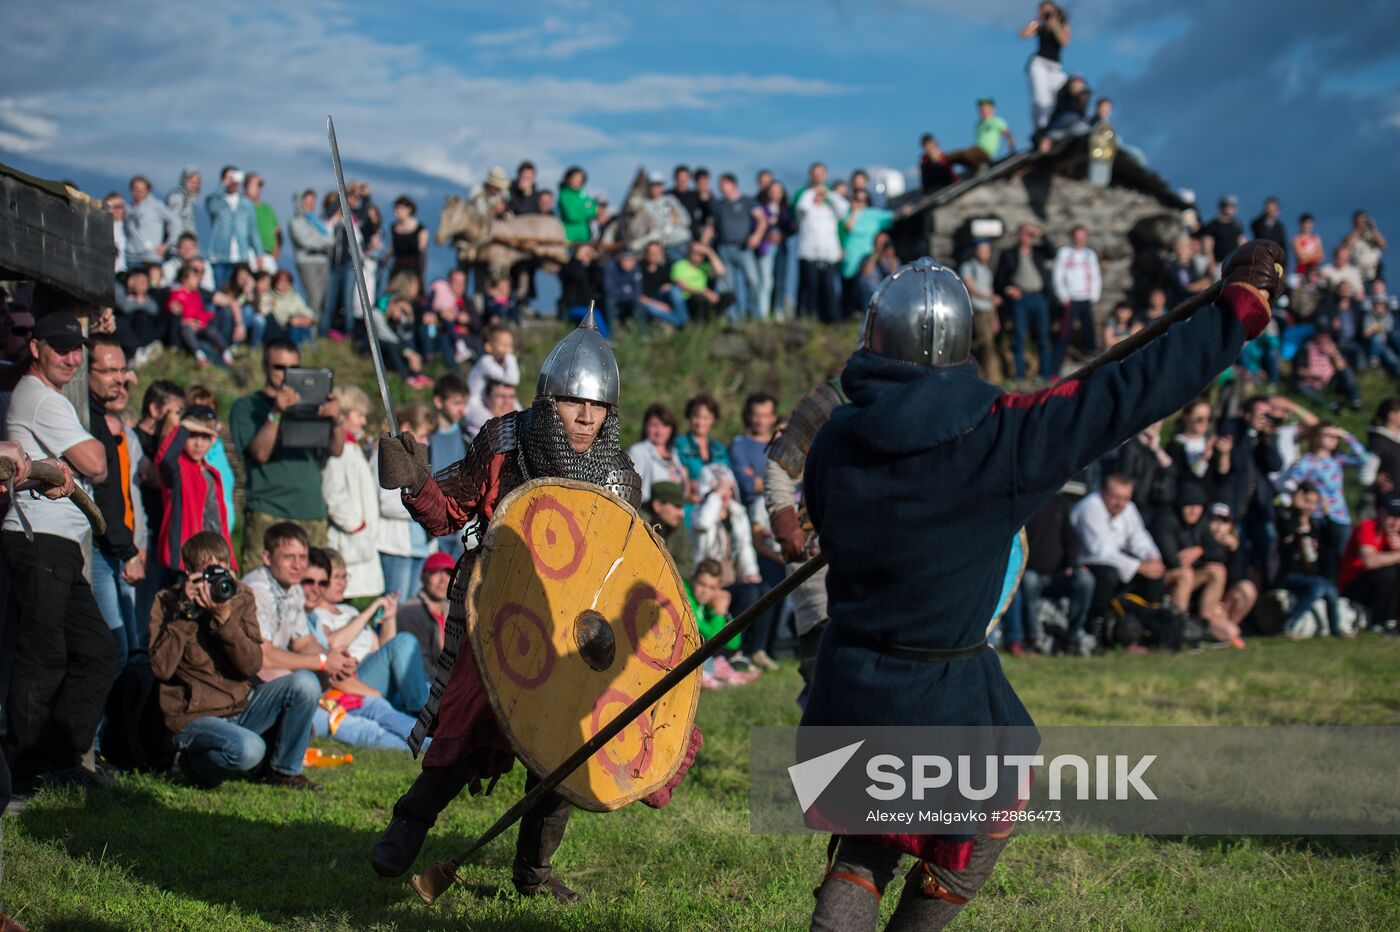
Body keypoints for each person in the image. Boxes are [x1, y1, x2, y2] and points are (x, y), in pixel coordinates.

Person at [803, 244, 1283, 930]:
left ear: (877, 338)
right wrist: (1235, 311)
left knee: (864, 847)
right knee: (980, 824)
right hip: (940, 700)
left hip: (848, 687)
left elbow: (824, 520)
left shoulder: (835, 440)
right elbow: (1132, 390)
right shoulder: (1004, 437)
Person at [371, 311, 696, 901]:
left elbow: (622, 565)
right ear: (549, 400)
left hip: (576, 632)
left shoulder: (620, 477)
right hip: (497, 613)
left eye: (597, 407)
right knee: (467, 721)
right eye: (574, 403)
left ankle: (534, 872)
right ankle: (409, 822)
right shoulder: (504, 443)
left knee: (565, 751)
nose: (585, 416)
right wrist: (415, 483)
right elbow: (451, 513)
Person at [2, 313, 117, 792]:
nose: (73, 357)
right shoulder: (41, 399)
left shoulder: (49, 398)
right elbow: (96, 462)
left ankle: (60, 759)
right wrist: (79, 453)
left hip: (59, 545)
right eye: (61, 347)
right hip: (37, 538)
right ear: (35, 348)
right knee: (43, 656)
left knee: (96, 650)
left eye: (77, 348)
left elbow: (94, 465)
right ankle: (28, 770)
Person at [150, 531, 323, 790]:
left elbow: (251, 665)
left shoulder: (240, 596)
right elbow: (161, 669)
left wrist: (224, 619)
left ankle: (282, 772)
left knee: (305, 683)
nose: (215, 582)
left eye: (221, 572)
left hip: (241, 705)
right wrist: (185, 613)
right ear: (190, 573)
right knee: (249, 749)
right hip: (194, 716)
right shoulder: (168, 602)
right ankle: (194, 765)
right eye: (207, 575)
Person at [229, 339, 344, 569]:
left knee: (313, 589)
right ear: (264, 366)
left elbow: (336, 450)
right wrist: (276, 413)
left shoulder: (311, 402)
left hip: (311, 511)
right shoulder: (247, 406)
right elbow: (260, 453)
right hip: (269, 510)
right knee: (261, 587)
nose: (285, 374)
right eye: (279, 367)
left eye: (293, 368)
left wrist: (337, 420)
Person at [765, 374, 845, 706]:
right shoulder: (832, 399)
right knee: (825, 673)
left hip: (888, 565)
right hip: (821, 559)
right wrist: (789, 529)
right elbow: (781, 465)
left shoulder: (920, 399)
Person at [86, 335, 147, 665]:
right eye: (110, 371)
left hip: (117, 544)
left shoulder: (104, 420)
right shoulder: (87, 419)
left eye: (123, 370)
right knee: (113, 650)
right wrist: (129, 548)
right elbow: (105, 495)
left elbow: (128, 493)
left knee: (128, 649)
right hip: (100, 544)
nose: (120, 378)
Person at [307, 548, 427, 714]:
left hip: (374, 673)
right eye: (337, 577)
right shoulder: (316, 615)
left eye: (345, 576)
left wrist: (389, 617)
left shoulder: (350, 611)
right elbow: (331, 644)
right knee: (406, 640)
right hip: (352, 680)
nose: (343, 583)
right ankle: (421, 712)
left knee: (430, 688)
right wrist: (369, 611)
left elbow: (386, 649)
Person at [154, 403, 234, 591]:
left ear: (213, 439)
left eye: (205, 437)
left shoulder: (212, 474)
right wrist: (183, 428)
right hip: (183, 561)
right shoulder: (178, 469)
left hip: (213, 558)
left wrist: (230, 562)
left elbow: (219, 522)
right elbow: (165, 459)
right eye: (192, 436)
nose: (198, 444)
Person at [1279, 422, 1373, 582]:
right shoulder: (1307, 461)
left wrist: (1347, 437)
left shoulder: (1337, 460)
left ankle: (1338, 590)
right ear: (1316, 437)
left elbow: (1364, 459)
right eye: (1328, 435)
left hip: (1339, 515)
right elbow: (1290, 484)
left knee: (1342, 556)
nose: (1333, 439)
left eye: (1334, 436)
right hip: (1316, 516)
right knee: (1320, 556)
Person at [1072, 474, 1167, 624]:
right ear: (1103, 491)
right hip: (1086, 565)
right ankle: (1095, 624)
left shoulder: (1128, 508)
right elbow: (1101, 552)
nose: (1121, 503)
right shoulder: (1089, 508)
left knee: (1156, 573)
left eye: (1125, 498)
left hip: (1118, 563)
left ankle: (1149, 625)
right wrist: (1140, 567)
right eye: (1116, 497)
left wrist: (1152, 556)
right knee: (1109, 575)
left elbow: (1140, 539)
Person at [319, 385, 384, 598]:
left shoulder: (352, 447)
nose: (363, 421)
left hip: (359, 543)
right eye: (359, 415)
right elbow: (333, 495)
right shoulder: (340, 451)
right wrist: (358, 527)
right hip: (349, 543)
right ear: (343, 415)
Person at [1016, 491, 1095, 655]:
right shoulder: (1023, 503)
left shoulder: (1059, 503)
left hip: (1058, 575)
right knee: (1029, 581)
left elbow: (1071, 539)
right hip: (1029, 572)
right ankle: (1032, 639)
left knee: (1085, 580)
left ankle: (1072, 639)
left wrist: (1073, 565)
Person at [375, 403, 436, 599]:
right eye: (423, 434)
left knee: (410, 607)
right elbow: (386, 503)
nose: (426, 441)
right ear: (407, 428)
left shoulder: (417, 460)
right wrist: (423, 505)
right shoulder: (388, 456)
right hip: (396, 549)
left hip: (419, 548)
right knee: (394, 606)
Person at [1275, 483, 1340, 638]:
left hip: (1311, 576)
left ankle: (1335, 628)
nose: (1310, 506)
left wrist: (1326, 514)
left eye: (1313, 503)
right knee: (1318, 586)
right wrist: (1296, 510)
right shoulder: (1285, 517)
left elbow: (1334, 542)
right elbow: (1286, 533)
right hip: (1289, 575)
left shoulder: (1315, 526)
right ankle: (1289, 624)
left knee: (1329, 588)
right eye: (1307, 501)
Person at [995, 223, 1056, 383]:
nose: (1026, 237)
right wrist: (1009, 289)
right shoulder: (1009, 253)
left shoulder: (1038, 252)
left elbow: (1053, 252)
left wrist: (1041, 234)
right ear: (1018, 235)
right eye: (1024, 234)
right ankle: (1020, 375)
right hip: (1020, 299)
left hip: (1039, 297)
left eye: (1030, 235)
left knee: (1042, 337)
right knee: (1019, 337)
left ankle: (1045, 374)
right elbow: (1000, 278)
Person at [1338, 496, 1400, 631]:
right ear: (1382, 513)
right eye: (1392, 516)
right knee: (1389, 572)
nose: (1395, 523)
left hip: (1381, 588)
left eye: (1399, 518)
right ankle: (1380, 621)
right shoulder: (1368, 526)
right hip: (1355, 584)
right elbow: (1369, 561)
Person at [711, 173, 767, 321]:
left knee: (753, 281)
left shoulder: (748, 201)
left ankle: (755, 315)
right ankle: (733, 318)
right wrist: (703, 244)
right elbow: (711, 226)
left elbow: (762, 220)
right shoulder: (719, 204)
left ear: (733, 184)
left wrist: (757, 236)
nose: (720, 188)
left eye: (723, 184)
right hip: (724, 248)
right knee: (727, 285)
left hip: (744, 248)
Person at [795, 182, 849, 322]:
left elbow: (844, 207)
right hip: (809, 254)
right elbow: (801, 206)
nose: (818, 196)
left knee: (829, 288)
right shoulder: (806, 211)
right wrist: (811, 191)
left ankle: (831, 319)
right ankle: (811, 317)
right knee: (811, 289)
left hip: (829, 255)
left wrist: (829, 193)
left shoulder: (830, 210)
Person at [395, 551, 453, 682]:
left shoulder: (455, 611)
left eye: (449, 573)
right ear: (423, 576)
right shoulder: (410, 611)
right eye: (436, 572)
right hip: (427, 685)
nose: (443, 580)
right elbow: (420, 665)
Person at [1051, 225, 1101, 371]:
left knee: (1089, 332)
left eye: (1083, 238)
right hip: (1070, 299)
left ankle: (1093, 362)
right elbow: (1058, 276)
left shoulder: (1090, 254)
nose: (1080, 241)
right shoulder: (1064, 253)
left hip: (1086, 298)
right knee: (1065, 333)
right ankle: (1055, 369)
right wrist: (1063, 296)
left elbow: (1095, 275)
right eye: (1077, 238)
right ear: (1072, 238)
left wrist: (1094, 295)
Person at [205, 165, 264, 288]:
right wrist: (223, 186)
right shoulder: (216, 200)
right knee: (221, 289)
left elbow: (253, 230)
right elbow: (211, 207)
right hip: (219, 255)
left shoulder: (246, 203)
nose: (234, 181)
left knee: (239, 291)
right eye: (230, 177)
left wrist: (259, 253)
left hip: (241, 256)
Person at [1021, 1, 1071, 129]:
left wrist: (1054, 24)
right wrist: (1038, 19)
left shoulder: (1063, 25)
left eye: (1049, 11)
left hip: (1056, 68)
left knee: (1062, 97)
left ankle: (1056, 126)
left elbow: (1064, 41)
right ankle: (1042, 128)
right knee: (1041, 98)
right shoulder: (1039, 26)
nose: (1047, 14)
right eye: (1044, 11)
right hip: (1039, 64)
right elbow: (1023, 34)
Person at [960, 240, 1003, 383]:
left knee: (989, 345)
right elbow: (971, 287)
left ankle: (990, 376)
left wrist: (995, 316)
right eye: (982, 250)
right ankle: (982, 376)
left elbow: (990, 291)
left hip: (988, 311)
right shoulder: (968, 266)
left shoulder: (986, 269)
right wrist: (990, 297)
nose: (985, 254)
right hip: (977, 310)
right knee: (983, 343)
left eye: (987, 251)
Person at [628, 403, 688, 502]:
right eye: (654, 425)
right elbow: (630, 489)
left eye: (665, 425)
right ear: (646, 426)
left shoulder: (675, 454)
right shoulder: (637, 452)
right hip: (645, 513)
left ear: (671, 429)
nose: (659, 431)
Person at [288, 189, 335, 315]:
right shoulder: (296, 221)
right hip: (307, 261)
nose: (311, 205)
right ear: (300, 202)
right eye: (307, 202)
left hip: (323, 261)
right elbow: (304, 241)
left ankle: (318, 328)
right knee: (314, 296)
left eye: (313, 202)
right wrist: (320, 240)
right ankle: (309, 329)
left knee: (324, 298)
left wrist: (314, 238)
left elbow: (331, 239)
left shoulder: (318, 222)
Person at [1294, 330, 1361, 411]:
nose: (1325, 340)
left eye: (1327, 338)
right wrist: (1318, 377)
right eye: (1322, 337)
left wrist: (1334, 353)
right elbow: (1300, 371)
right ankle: (1330, 404)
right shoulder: (1305, 349)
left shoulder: (1330, 349)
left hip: (1330, 382)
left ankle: (1355, 401)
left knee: (1347, 371)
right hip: (1313, 384)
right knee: (1301, 386)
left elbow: (1342, 367)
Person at [944, 98, 1016, 171]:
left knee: (961, 155)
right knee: (955, 158)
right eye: (981, 108)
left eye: (985, 107)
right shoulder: (978, 124)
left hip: (985, 153)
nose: (982, 110)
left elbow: (1008, 135)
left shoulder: (997, 121)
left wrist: (1012, 150)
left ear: (992, 109)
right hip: (977, 149)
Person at [671, 240, 732, 321]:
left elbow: (721, 272)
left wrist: (710, 252)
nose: (698, 256)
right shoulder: (680, 265)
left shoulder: (703, 267)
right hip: (688, 298)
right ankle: (701, 322)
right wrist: (703, 292)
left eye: (700, 254)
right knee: (700, 299)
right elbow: (681, 286)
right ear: (689, 252)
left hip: (705, 296)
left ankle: (714, 319)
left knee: (729, 296)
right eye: (695, 253)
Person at [124, 174, 176, 268]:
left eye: (142, 189)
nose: (138, 192)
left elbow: (175, 221)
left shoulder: (156, 206)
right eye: (135, 189)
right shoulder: (128, 209)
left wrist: (168, 244)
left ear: (148, 190)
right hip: (131, 257)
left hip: (151, 258)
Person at [638, 241, 691, 329]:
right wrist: (659, 305)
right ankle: (681, 323)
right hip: (647, 302)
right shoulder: (638, 270)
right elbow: (639, 296)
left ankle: (684, 321)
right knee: (650, 308)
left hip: (660, 298)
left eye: (657, 253)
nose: (654, 256)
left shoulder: (664, 268)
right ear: (646, 254)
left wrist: (668, 287)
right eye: (651, 253)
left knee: (675, 290)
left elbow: (668, 285)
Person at [644, 480, 693, 572]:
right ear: (657, 505)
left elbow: (686, 563)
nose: (682, 514)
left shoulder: (678, 524)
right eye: (677, 506)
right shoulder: (638, 523)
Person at [1201, 195, 1246, 265]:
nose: (1230, 208)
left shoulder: (1237, 224)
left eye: (1232, 206)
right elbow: (1207, 248)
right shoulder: (1212, 225)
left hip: (1235, 263)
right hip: (1219, 264)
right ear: (1221, 207)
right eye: (1227, 205)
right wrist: (1211, 264)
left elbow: (1242, 244)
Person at [558, 166, 598, 245]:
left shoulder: (583, 193)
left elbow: (593, 210)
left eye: (580, 178)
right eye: (575, 177)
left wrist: (580, 210)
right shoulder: (565, 194)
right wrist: (585, 209)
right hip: (569, 236)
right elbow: (572, 215)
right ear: (568, 178)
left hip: (584, 236)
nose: (578, 180)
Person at [165, 166, 201, 243]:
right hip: (178, 247)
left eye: (197, 183)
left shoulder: (188, 200)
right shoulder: (178, 196)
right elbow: (172, 220)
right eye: (191, 181)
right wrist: (173, 243)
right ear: (184, 180)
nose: (194, 185)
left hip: (186, 247)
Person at [1250, 196, 1287, 263]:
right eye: (1270, 208)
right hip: (1262, 258)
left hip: (1276, 259)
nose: (1272, 210)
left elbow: (1283, 245)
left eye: (1274, 208)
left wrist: (1284, 262)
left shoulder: (1279, 227)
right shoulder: (1257, 224)